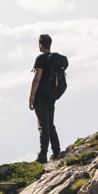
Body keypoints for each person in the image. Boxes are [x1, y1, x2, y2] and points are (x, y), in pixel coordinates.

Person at [29, 33, 67, 163]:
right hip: (51, 96)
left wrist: (31, 96)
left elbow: (37, 79)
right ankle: (56, 151)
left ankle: (43, 155)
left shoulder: (41, 59)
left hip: (41, 96)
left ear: (40, 44)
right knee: (50, 125)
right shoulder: (55, 60)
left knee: (43, 126)